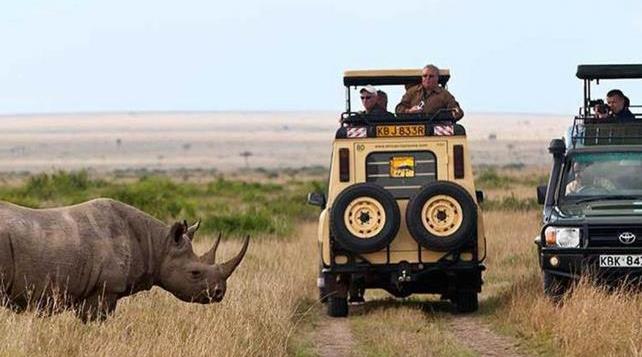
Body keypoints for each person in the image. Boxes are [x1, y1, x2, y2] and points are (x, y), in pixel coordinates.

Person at [395, 64, 464, 121]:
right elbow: (399, 109)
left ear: (437, 78)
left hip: (435, 129)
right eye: (425, 76)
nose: (427, 79)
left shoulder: (444, 94)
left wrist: (456, 113)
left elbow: (457, 111)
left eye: (431, 76)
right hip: (414, 128)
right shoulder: (412, 92)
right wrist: (410, 111)